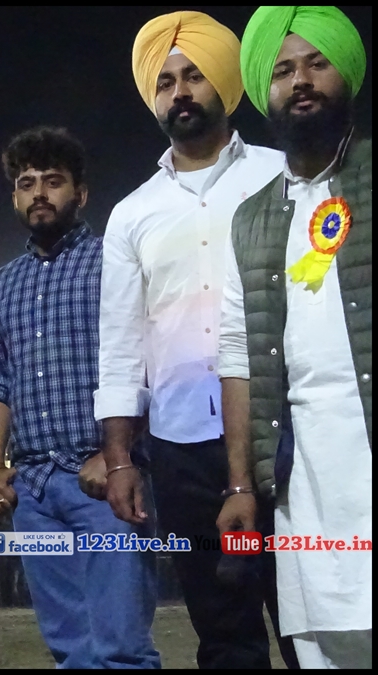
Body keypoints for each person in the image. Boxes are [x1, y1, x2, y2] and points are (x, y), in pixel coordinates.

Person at [91, 11, 289, 669]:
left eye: (195, 76)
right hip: (181, 447)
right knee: (223, 630)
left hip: (285, 433)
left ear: (224, 84)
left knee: (307, 616)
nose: (180, 92)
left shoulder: (282, 175)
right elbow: (121, 341)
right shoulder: (132, 214)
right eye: (166, 81)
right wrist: (120, 457)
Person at [218, 6, 371, 669]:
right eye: (282, 70)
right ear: (265, 90)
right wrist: (239, 485)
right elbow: (236, 355)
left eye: (316, 63)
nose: (300, 81)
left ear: (346, 75)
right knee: (323, 649)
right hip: (302, 481)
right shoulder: (251, 219)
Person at [0, 127, 160, 668]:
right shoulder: (0, 285)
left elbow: (152, 362)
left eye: (53, 181)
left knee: (122, 648)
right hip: (33, 493)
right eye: (26, 183)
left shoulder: (116, 262)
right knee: (69, 652)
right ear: (14, 198)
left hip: (105, 483)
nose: (39, 193)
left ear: (80, 194)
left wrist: (116, 455)